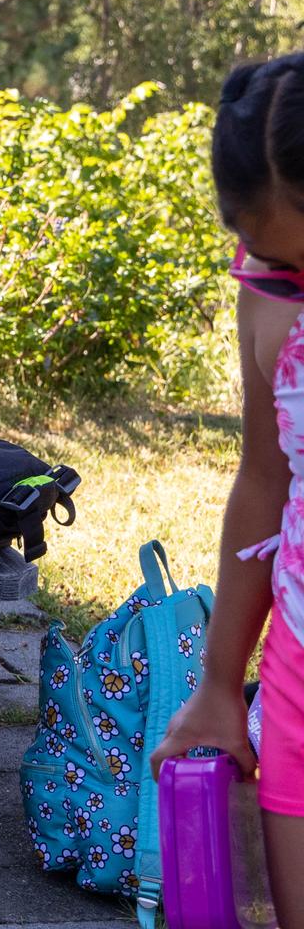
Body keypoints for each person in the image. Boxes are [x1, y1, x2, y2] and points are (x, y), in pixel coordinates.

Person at [151, 53, 304, 926]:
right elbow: (263, 477)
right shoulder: (265, 297)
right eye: (278, 269)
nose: (292, 291)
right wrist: (218, 682)